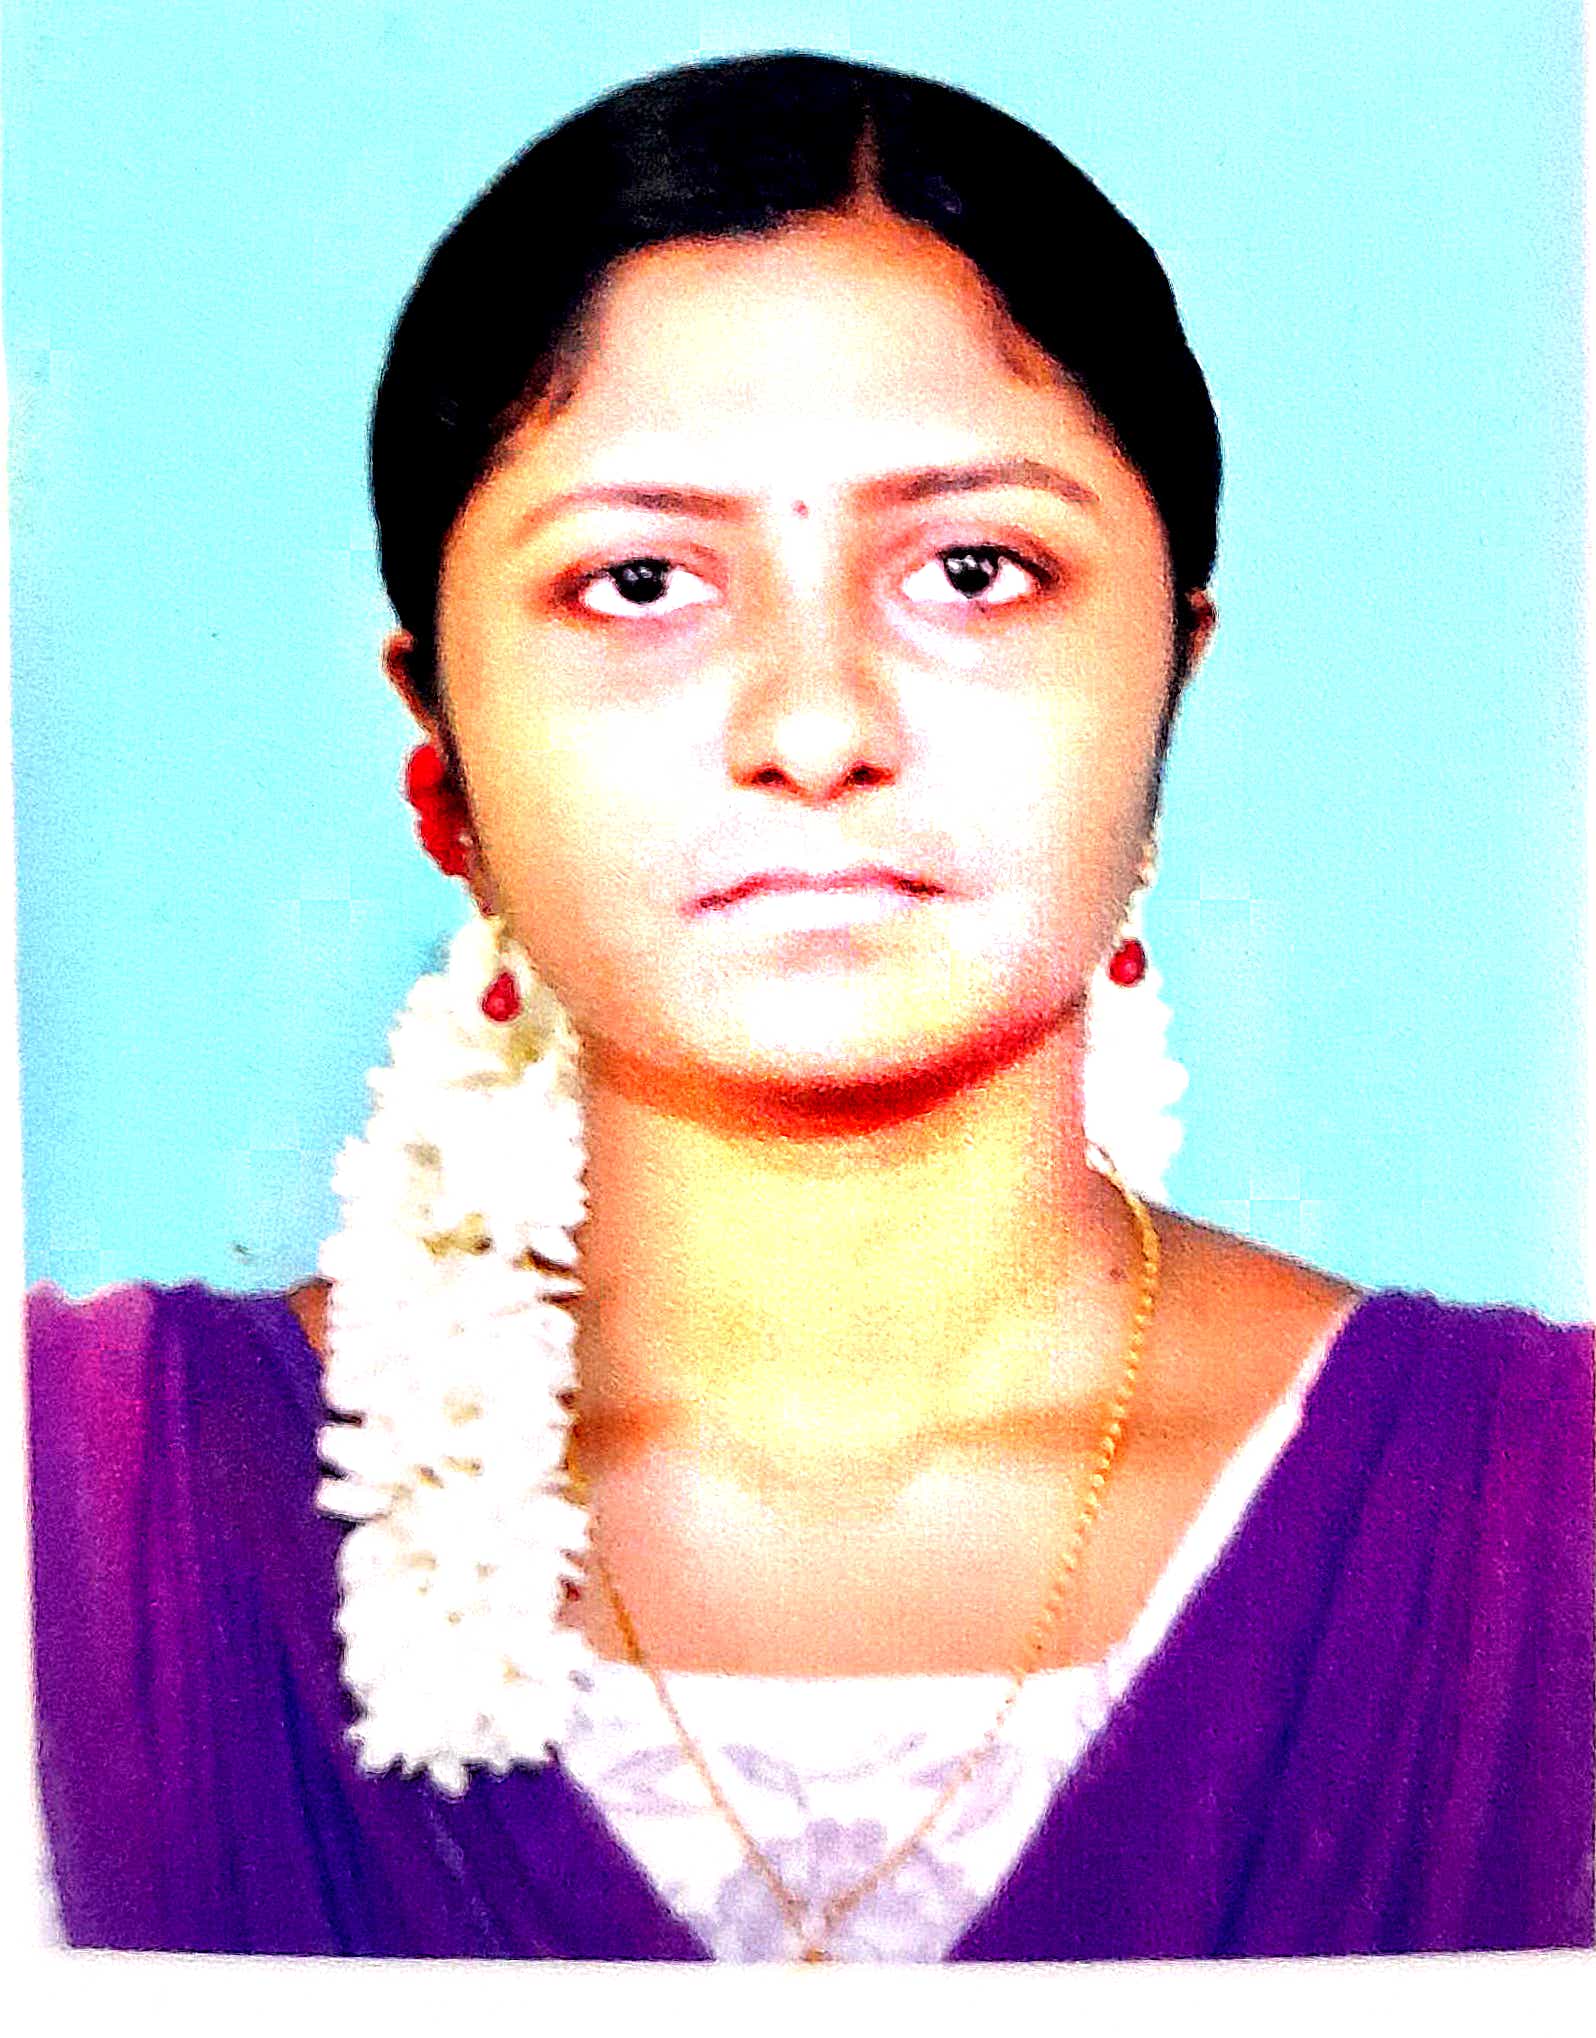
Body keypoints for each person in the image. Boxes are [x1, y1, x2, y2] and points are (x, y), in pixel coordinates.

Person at [26, 51, 1592, 1963]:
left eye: (973, 569)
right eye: (639, 580)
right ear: (440, 750)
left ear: (1173, 674)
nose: (817, 726)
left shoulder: (1547, 1510)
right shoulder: (74, 1505)